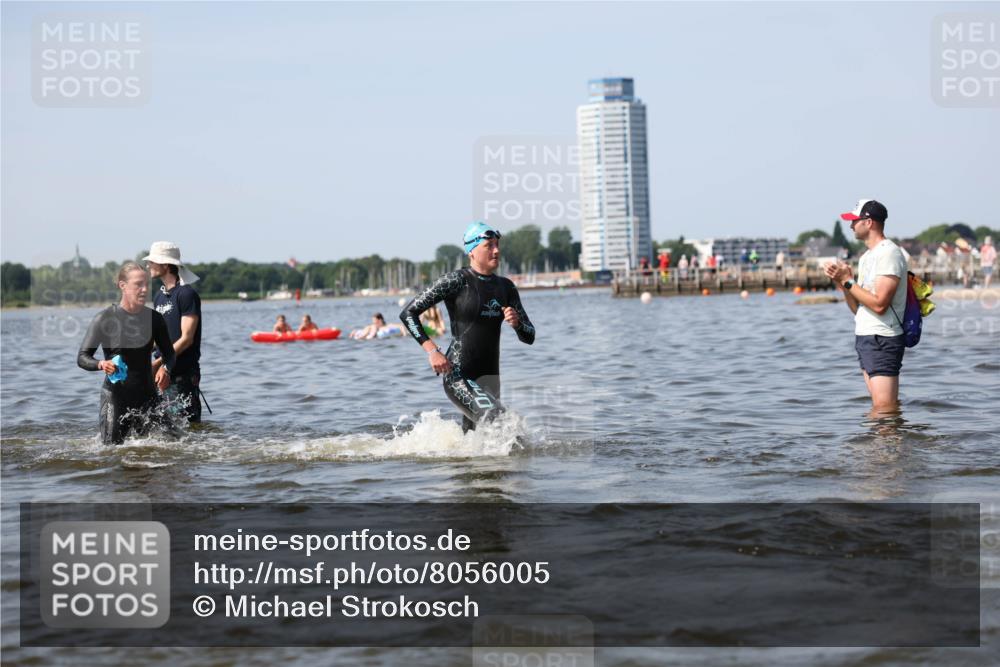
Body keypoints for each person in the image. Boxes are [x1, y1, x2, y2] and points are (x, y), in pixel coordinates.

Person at [401, 221, 535, 432]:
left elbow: (530, 336)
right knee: (501, 422)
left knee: (476, 444)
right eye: (489, 245)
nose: (496, 250)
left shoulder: (505, 287)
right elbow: (408, 313)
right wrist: (432, 351)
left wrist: (517, 324)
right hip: (459, 375)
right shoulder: (455, 281)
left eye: (497, 244)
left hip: (490, 379)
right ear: (471, 251)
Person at [824, 199, 907, 413]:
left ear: (868, 222)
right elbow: (858, 308)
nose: (851, 226)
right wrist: (843, 282)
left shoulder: (889, 253)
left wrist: (849, 282)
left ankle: (889, 446)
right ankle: (882, 447)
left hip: (883, 337)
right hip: (866, 337)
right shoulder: (866, 257)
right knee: (883, 409)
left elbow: (880, 304)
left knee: (884, 409)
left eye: (854, 221)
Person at [78, 262, 176, 444]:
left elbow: (170, 354)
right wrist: (101, 364)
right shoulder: (104, 318)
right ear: (122, 285)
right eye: (139, 284)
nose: (145, 289)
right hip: (116, 397)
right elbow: (83, 358)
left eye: (147, 284)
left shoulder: (154, 319)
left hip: (148, 397)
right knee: (112, 451)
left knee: (176, 444)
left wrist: (166, 369)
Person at [144, 241, 203, 423]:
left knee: (186, 428)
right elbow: (158, 337)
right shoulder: (159, 296)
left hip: (182, 372)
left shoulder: (186, 294)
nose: (148, 265)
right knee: (161, 427)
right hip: (162, 371)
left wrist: (162, 364)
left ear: (166, 264)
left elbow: (186, 338)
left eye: (152, 261)